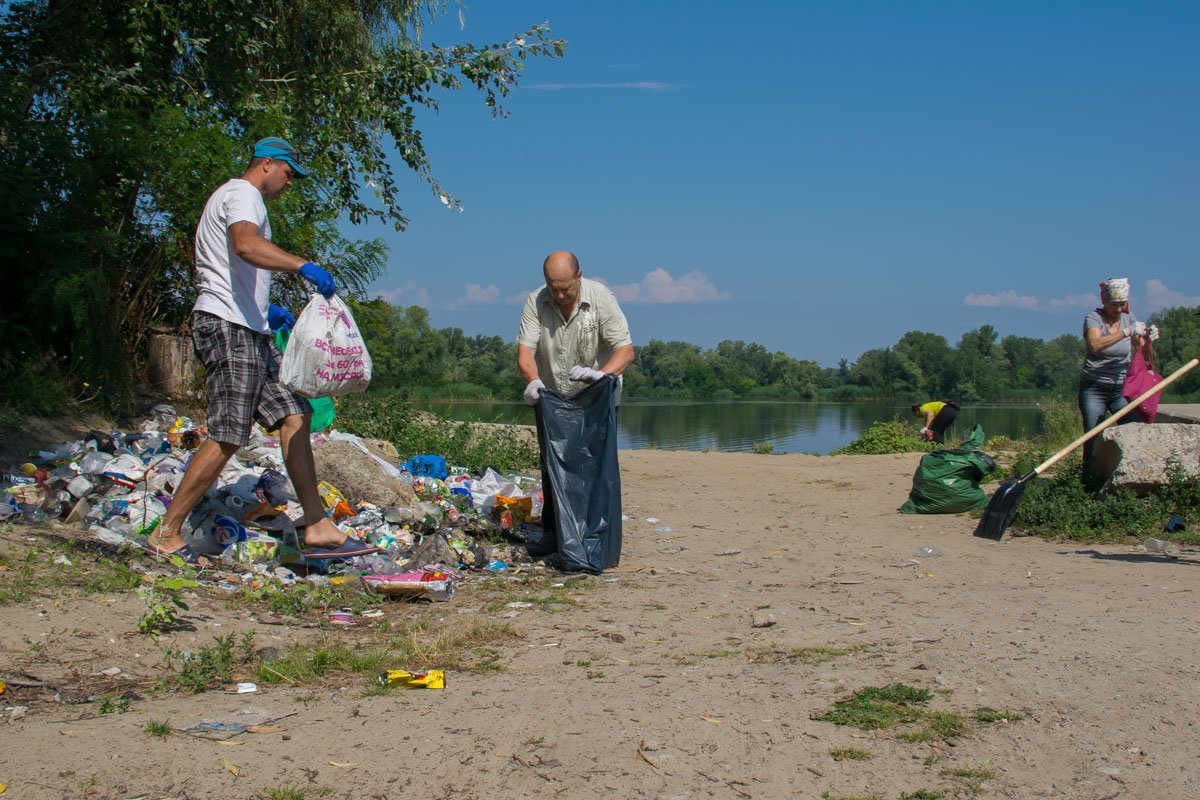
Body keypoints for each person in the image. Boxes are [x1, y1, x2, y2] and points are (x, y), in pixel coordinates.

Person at [146, 137, 380, 564]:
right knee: (229, 432)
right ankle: (166, 531)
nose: (289, 183)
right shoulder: (242, 193)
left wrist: (265, 311)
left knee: (296, 412)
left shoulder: (243, 198)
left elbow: (230, 264)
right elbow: (245, 246)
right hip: (227, 327)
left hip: (249, 329)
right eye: (288, 173)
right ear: (267, 164)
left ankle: (318, 526)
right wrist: (301, 265)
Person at [516, 250, 635, 557]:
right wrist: (533, 381)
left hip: (597, 397)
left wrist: (601, 376)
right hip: (554, 397)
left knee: (595, 466)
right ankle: (554, 534)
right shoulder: (536, 301)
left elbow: (625, 350)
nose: (560, 294)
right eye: (554, 288)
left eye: (566, 287)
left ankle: (596, 535)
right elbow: (525, 353)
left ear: (579, 276)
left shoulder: (601, 298)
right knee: (552, 463)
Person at [1078, 277, 1159, 487]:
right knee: (1092, 435)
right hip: (1094, 387)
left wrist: (1148, 337)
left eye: (1122, 304)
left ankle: (1133, 479)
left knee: (1135, 429)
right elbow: (1094, 344)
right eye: (1114, 305)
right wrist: (1125, 332)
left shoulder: (1128, 317)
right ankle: (1089, 482)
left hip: (1122, 389)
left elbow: (1140, 346)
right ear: (1105, 301)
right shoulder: (1093, 318)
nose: (1119, 309)